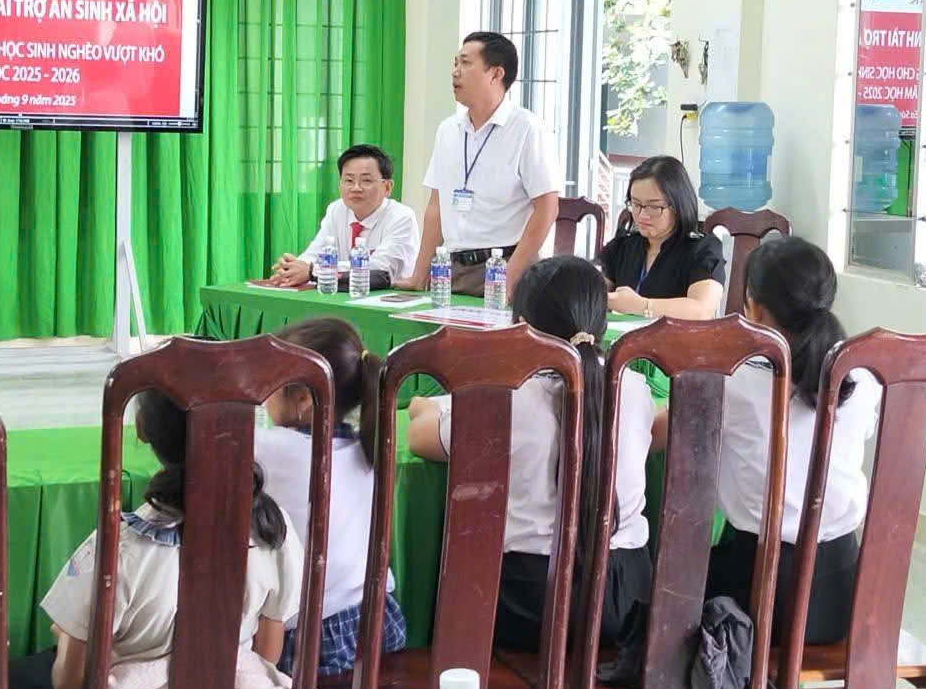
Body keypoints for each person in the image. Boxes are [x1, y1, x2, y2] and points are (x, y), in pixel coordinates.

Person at [406, 256, 653, 650]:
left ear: (522, 327)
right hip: (627, 598)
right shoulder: (635, 387)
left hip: (531, 601)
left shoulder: (508, 396)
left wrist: (425, 404)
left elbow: (420, 438)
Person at [651, 236, 881, 644]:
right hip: (844, 593)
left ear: (753, 307)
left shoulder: (732, 377)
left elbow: (656, 436)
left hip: (755, 600)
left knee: (657, 594)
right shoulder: (862, 377)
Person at [25, 389, 304, 689]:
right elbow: (267, 654)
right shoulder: (274, 527)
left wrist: (66, 636)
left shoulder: (117, 549)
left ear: (141, 427)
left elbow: (70, 687)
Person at [256, 318, 408, 674]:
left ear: (303, 400)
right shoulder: (368, 445)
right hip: (377, 624)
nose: (262, 393)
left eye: (269, 382)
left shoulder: (269, 449)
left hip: (308, 640)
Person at [400, 32, 560, 297]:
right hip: (451, 271)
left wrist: (510, 277)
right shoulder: (448, 129)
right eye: (455, 63)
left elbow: (547, 208)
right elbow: (436, 207)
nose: (455, 72)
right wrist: (419, 274)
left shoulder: (528, 129)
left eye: (465, 63)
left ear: (496, 74)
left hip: (504, 267)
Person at [271, 144, 420, 287]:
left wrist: (312, 271)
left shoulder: (401, 217)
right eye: (349, 180)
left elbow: (381, 270)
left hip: (388, 297)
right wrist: (294, 268)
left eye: (366, 181)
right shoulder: (337, 209)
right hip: (343, 294)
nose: (356, 188)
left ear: (387, 187)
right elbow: (315, 253)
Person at [600, 155, 724, 319]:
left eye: (654, 206)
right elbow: (595, 293)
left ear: (678, 205)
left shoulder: (703, 249)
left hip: (677, 336)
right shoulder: (623, 245)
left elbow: (701, 310)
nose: (642, 215)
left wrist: (641, 306)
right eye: (636, 204)